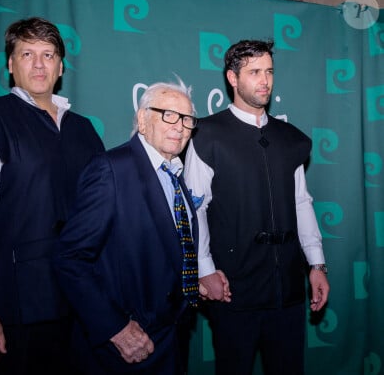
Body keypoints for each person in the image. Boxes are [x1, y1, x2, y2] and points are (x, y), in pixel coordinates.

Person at [0, 17, 104, 374]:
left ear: (61, 66)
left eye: (48, 54)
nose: (38, 64)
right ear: (10, 64)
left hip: (80, 302)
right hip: (14, 306)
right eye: (27, 54)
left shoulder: (83, 129)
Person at [53, 80, 225, 374]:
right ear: (143, 121)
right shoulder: (111, 169)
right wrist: (115, 328)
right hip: (123, 347)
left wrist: (189, 281)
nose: (180, 126)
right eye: (168, 114)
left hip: (170, 339)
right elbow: (70, 258)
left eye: (187, 119)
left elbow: (159, 248)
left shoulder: (174, 175)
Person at [184, 39, 330, 375]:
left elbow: (301, 202)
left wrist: (317, 263)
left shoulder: (290, 137)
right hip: (234, 290)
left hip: (287, 292)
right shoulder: (207, 134)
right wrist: (204, 269)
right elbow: (196, 208)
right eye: (254, 72)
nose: (264, 80)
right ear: (233, 78)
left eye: (268, 71)